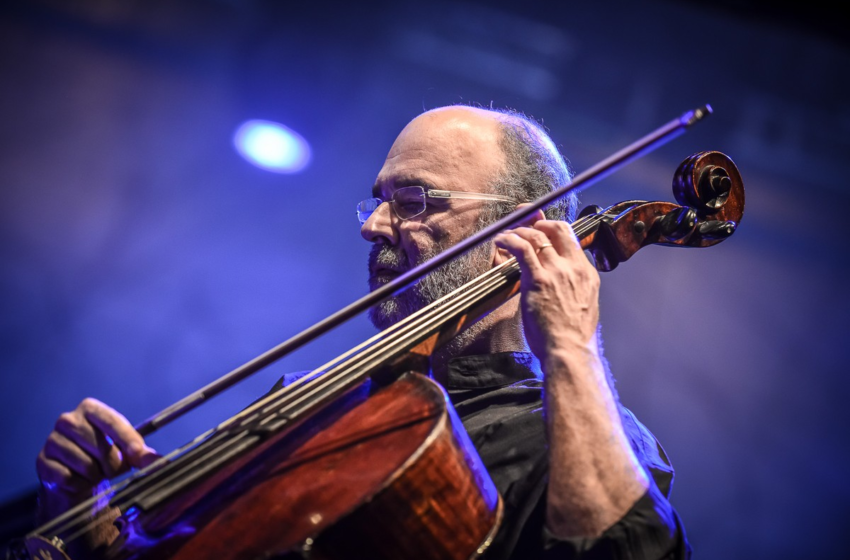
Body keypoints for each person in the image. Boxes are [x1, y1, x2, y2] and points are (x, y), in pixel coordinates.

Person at [36, 106, 690, 559]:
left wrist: (570, 348)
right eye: (377, 199)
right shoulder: (322, 405)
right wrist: (83, 513)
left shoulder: (587, 437)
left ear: (519, 235)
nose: (372, 225)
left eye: (411, 202)